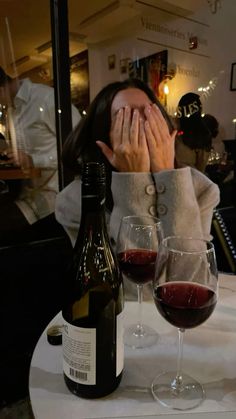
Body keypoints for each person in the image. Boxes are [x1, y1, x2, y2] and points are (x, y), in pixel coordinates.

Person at [55, 78, 220, 299]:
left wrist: (168, 174)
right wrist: (132, 181)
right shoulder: (76, 201)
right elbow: (135, 295)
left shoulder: (201, 189)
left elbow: (191, 285)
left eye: (149, 114)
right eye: (125, 117)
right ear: (103, 137)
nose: (141, 125)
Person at [0, 67, 80, 245]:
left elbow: (77, 147)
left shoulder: (47, 99)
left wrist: (32, 159)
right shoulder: (13, 109)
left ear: (2, 88)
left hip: (55, 192)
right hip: (28, 191)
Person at [175, 92, 212, 172]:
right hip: (190, 178)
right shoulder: (203, 134)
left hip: (169, 176)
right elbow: (201, 167)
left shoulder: (174, 127)